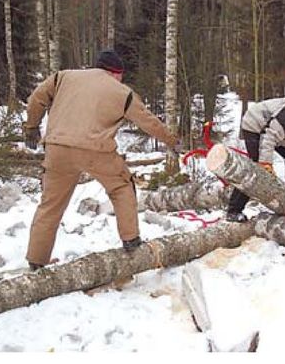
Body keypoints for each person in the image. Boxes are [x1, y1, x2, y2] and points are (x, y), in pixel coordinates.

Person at [24, 50, 181, 268]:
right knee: (121, 187)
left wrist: (31, 127)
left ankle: (36, 260)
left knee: (50, 205)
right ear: (116, 73)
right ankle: (131, 241)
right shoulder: (122, 92)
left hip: (57, 148)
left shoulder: (63, 77)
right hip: (95, 150)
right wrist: (172, 142)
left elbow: (36, 99)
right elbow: (148, 121)